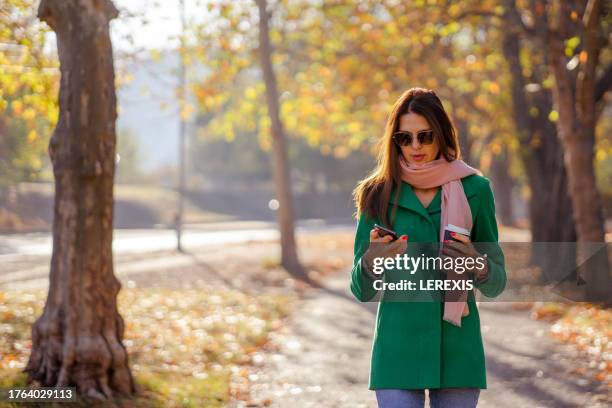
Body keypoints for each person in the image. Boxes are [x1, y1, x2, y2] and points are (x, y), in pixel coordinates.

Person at [350, 87, 507, 408]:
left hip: (457, 348)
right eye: (404, 138)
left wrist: (477, 263)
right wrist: (371, 261)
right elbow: (361, 289)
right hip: (397, 349)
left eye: (425, 135)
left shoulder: (475, 189)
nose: (416, 146)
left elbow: (497, 283)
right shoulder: (376, 193)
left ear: (442, 134)